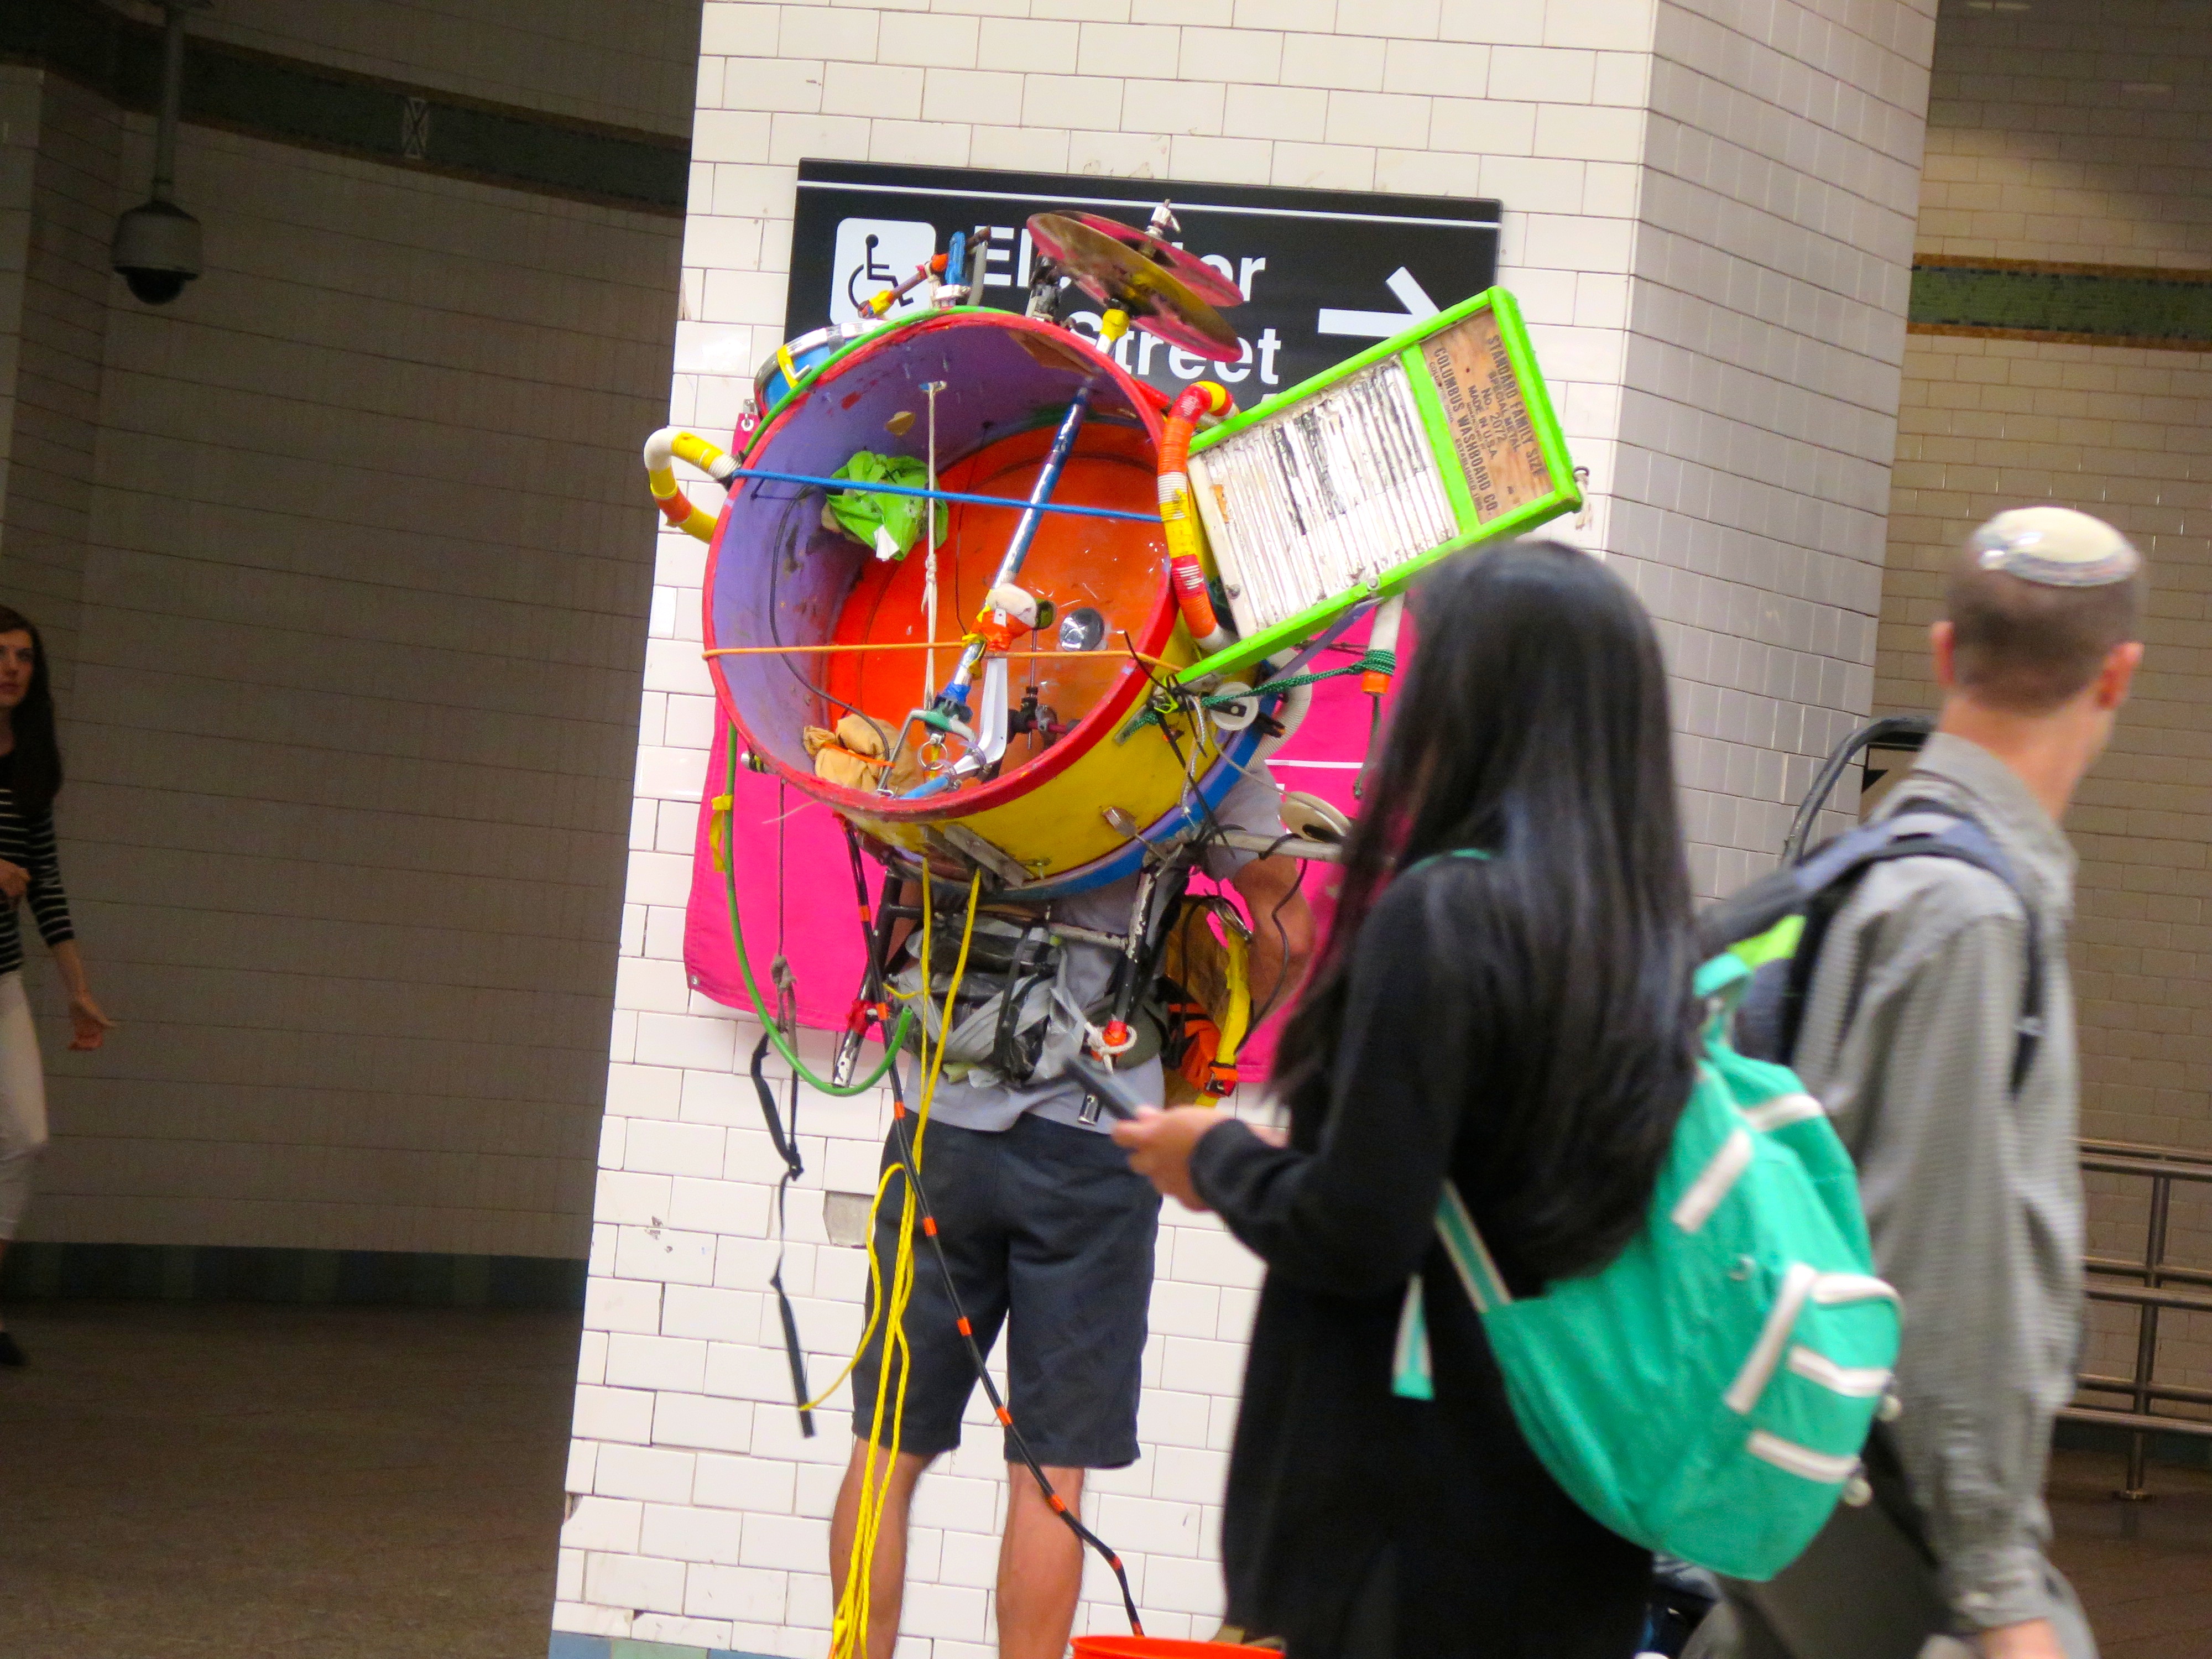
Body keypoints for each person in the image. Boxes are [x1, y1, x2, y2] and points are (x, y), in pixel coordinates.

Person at [1117, 540, 1702, 1659]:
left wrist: (1216, 1159)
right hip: (1575, 1508)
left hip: (1402, 1522)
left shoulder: (1440, 923)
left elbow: (1360, 1228)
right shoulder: (1642, 943)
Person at [1697, 507, 2144, 1659]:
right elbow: (1946, 1271)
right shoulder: (1966, 917)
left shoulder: (1865, 875)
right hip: (1883, 1508)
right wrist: (1999, 1592)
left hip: (1792, 1470)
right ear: (2116, 678)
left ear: (1946, 653)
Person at [829, 761, 1314, 1659]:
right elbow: (1286, 926)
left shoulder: (962, 717)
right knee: (1050, 1475)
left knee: (886, 1448)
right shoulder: (1193, 736)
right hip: (1093, 1144)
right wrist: (1225, 1024)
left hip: (941, 1120)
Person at [0, 605, 114, 1367]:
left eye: (25, 658)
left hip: (1, 974)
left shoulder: (31, 760)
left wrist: (77, 987)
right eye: (2, 654)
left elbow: (46, 885)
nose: (13, 667)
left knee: (24, 1136)